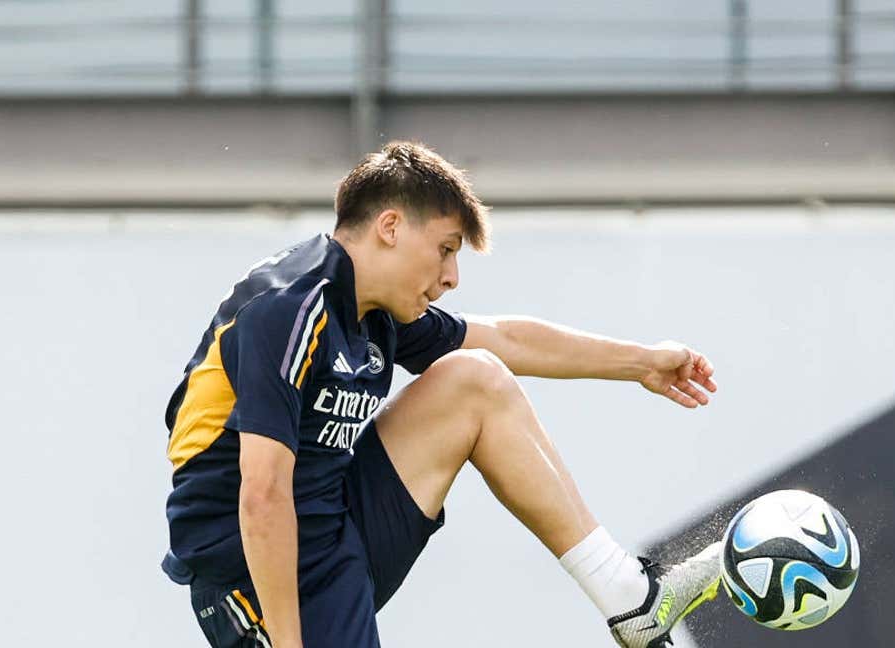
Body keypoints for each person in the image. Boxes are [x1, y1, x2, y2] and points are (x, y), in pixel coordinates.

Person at [161, 141, 722, 648]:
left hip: (333, 523)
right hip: (249, 569)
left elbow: (507, 338)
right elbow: (261, 496)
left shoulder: (374, 308)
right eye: (446, 248)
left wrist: (642, 362)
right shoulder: (288, 308)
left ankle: (626, 595)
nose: (451, 275)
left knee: (476, 378)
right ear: (390, 227)